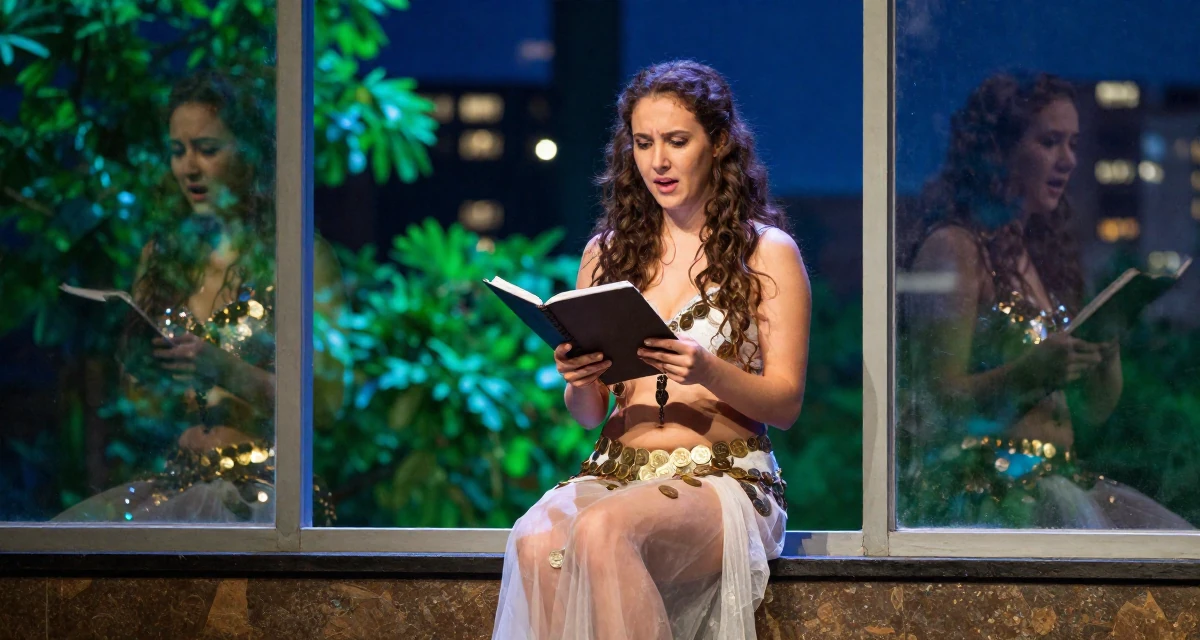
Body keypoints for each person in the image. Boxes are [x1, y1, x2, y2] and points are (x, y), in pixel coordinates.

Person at [492, 60, 810, 640]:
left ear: (717, 144)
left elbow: (785, 405)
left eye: (676, 141)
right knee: (536, 536)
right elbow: (589, 412)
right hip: (614, 469)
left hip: (724, 479)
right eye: (643, 143)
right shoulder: (606, 254)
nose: (657, 161)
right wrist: (577, 376)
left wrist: (708, 368)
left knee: (602, 529)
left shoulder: (766, 251)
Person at [897, 71, 1191, 529]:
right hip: (993, 493)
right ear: (1000, 152)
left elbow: (1092, 411)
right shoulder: (954, 248)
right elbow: (939, 402)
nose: (1069, 160)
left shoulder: (1037, 260)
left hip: (1063, 480)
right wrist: (1030, 374)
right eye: (1051, 141)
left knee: (1178, 547)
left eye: (1074, 144)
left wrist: (1105, 345)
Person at [53, 70, 344, 524]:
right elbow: (143, 408)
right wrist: (142, 366)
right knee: (62, 548)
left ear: (248, 152)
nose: (189, 167)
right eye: (177, 151)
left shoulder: (299, 256)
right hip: (178, 478)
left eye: (207, 149)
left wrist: (222, 367)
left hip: (265, 493)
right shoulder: (164, 255)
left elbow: (326, 405)